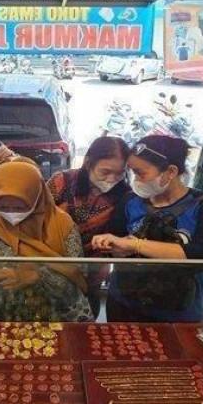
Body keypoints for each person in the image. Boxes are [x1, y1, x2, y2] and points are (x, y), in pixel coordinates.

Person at [92, 135, 203, 322]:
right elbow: (117, 240)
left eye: (141, 173)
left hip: (177, 312)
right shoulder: (130, 201)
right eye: (132, 173)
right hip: (124, 302)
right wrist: (111, 247)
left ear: (170, 172)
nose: (135, 180)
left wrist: (135, 245)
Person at [0, 161, 92, 322]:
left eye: (20, 208)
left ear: (37, 198)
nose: (11, 214)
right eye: (3, 207)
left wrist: (39, 276)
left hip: (46, 317)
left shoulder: (62, 225)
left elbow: (77, 279)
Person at [47, 136, 130, 317]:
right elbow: (39, 216)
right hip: (51, 264)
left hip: (91, 272)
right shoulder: (62, 181)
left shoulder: (126, 196)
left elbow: (122, 237)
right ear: (88, 162)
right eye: (105, 172)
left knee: (84, 322)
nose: (112, 179)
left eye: (120, 173)